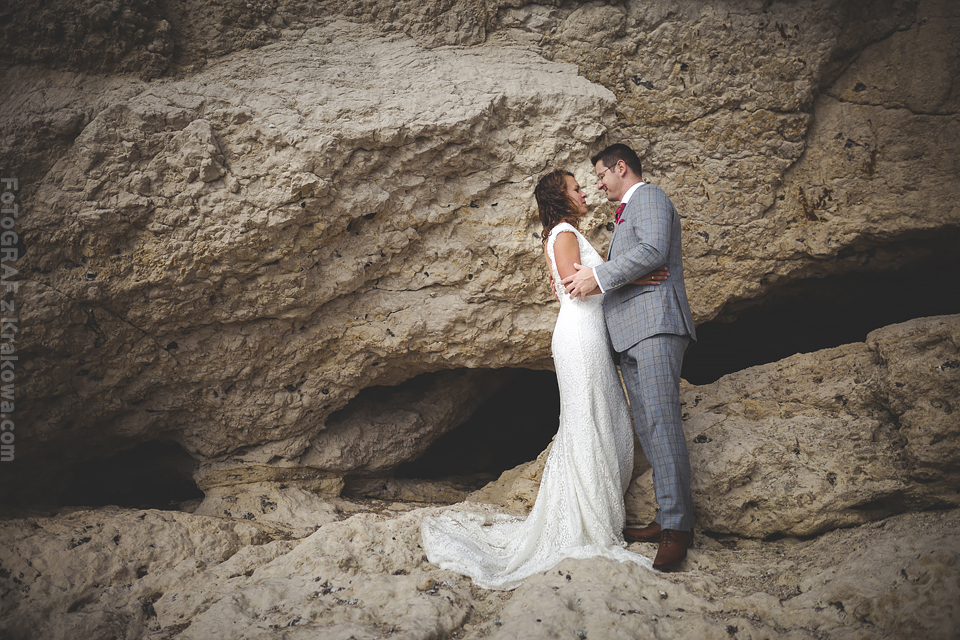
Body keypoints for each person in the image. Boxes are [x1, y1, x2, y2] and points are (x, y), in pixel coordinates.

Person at [420, 169, 666, 590]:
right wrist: (637, 275)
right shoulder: (565, 232)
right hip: (580, 336)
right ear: (560, 198)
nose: (584, 192)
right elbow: (576, 284)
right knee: (590, 421)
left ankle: (594, 513)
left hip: (584, 334)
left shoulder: (559, 233)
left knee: (597, 419)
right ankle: (586, 522)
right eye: (576, 188)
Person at [563, 143, 697, 571]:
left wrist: (601, 275)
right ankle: (667, 515)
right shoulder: (624, 214)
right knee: (650, 427)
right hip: (633, 333)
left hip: (656, 325)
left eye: (601, 175)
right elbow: (640, 263)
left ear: (621, 167)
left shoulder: (650, 196)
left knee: (662, 423)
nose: (599, 184)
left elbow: (654, 249)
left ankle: (678, 528)